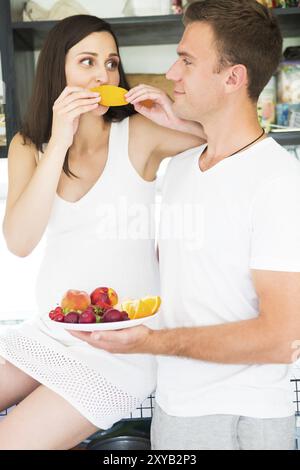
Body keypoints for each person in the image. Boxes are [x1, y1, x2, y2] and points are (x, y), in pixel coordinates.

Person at [74, 1, 300, 450]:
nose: (171, 73)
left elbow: (280, 338)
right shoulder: (179, 168)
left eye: (187, 61)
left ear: (233, 78)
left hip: (241, 419)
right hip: (174, 409)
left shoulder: (279, 181)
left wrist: (153, 342)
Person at [0, 14, 205, 450]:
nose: (102, 75)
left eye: (110, 64)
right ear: (59, 71)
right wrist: (58, 141)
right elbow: (19, 242)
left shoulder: (141, 134)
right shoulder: (28, 145)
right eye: (87, 62)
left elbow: (226, 139)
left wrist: (172, 116)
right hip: (48, 334)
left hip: (120, 353)